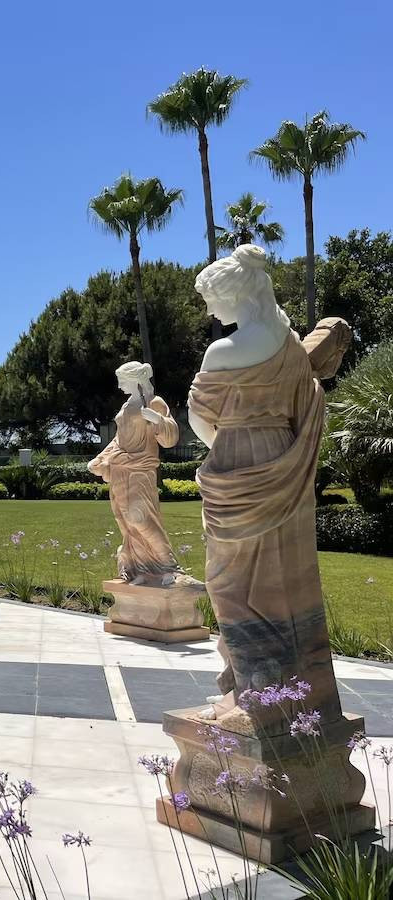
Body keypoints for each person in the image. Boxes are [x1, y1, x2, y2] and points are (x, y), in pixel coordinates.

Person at [189, 244, 350, 732]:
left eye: (211, 299)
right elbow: (307, 401)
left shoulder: (223, 351)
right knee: (284, 577)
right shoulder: (289, 345)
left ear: (235, 294)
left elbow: (199, 418)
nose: (210, 310)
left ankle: (258, 693)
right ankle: (290, 689)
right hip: (283, 457)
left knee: (228, 582)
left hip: (239, 460)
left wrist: (228, 451)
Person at [88, 361, 181, 584]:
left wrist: (157, 419)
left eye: (122, 380)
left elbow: (170, 438)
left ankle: (168, 565)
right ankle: (141, 568)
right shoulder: (127, 405)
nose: (119, 386)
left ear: (135, 380)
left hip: (140, 468)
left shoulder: (154, 402)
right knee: (125, 521)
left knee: (139, 517)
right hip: (119, 469)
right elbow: (118, 440)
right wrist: (100, 459)